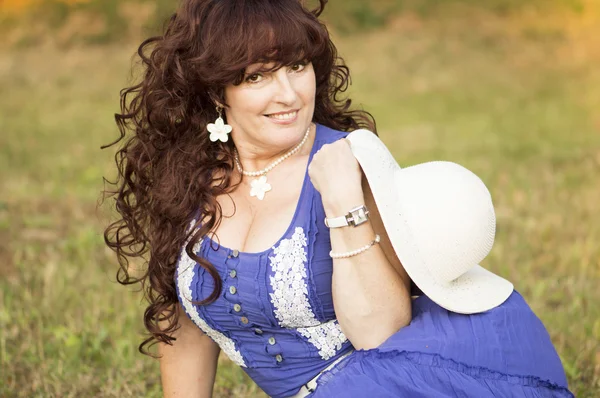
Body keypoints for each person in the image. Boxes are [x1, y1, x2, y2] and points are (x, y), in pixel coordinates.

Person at [103, 0, 574, 397]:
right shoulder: (189, 175)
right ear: (215, 89)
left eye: (296, 66)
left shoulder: (349, 163)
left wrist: (343, 200)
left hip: (416, 374)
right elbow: (181, 324)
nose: (288, 93)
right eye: (257, 77)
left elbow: (379, 334)